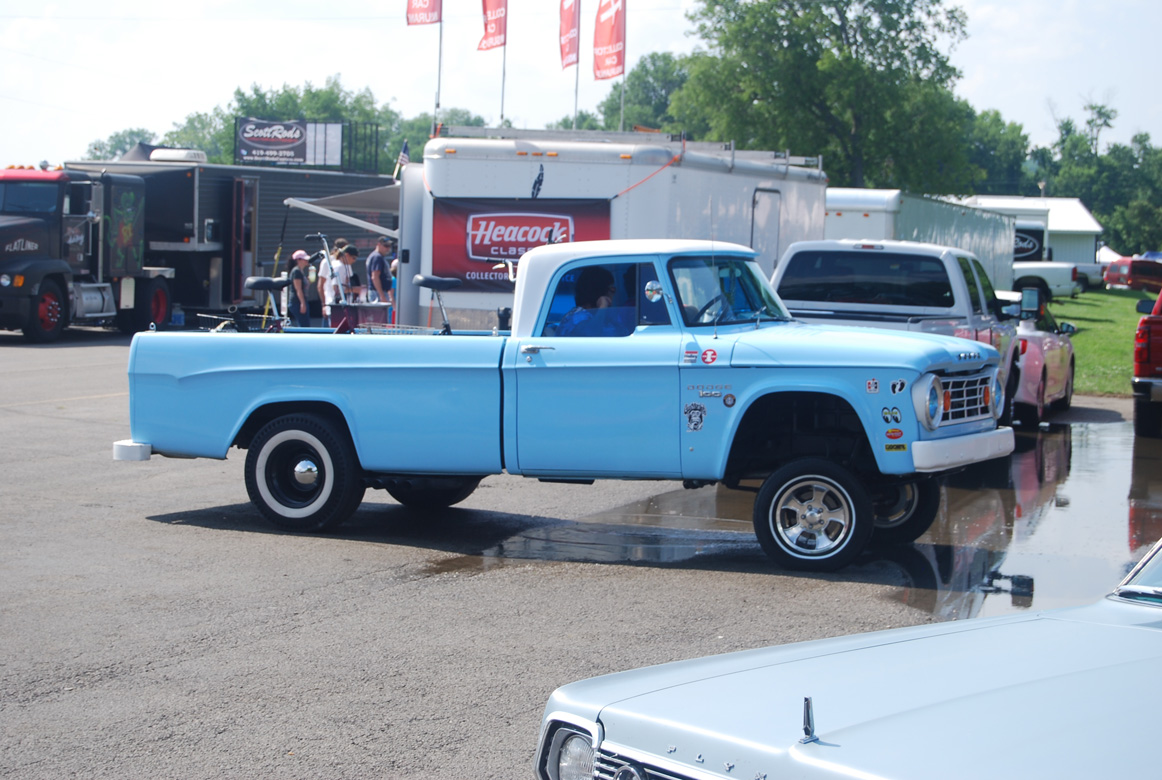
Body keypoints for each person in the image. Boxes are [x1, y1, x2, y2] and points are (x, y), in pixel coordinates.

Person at [556, 266, 617, 337]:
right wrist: (602, 307)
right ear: (600, 292)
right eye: (612, 290)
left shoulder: (601, 316)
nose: (614, 294)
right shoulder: (577, 316)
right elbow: (591, 334)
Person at [317, 238, 348, 326]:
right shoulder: (326, 261)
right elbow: (320, 285)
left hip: (342, 303)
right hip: (330, 302)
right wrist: (324, 305)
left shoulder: (345, 261)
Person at [365, 237, 395, 306]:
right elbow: (375, 277)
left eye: (389, 246)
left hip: (379, 292)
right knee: (379, 315)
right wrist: (382, 296)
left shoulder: (378, 256)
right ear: (379, 245)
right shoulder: (377, 257)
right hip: (377, 293)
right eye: (386, 246)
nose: (388, 249)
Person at [287, 249, 312, 327]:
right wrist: (302, 303)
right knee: (304, 325)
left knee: (304, 323)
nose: (307, 261)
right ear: (298, 260)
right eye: (304, 259)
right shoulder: (296, 271)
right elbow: (298, 289)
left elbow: (304, 286)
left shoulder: (300, 271)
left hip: (300, 301)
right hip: (297, 302)